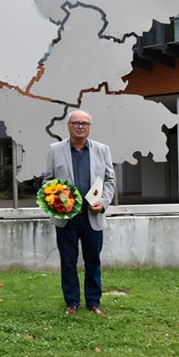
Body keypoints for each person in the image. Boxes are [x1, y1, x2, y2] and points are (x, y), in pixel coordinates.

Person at [43, 109, 116, 316]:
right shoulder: (55, 150)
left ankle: (94, 302)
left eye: (84, 123)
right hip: (66, 218)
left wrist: (103, 202)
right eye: (76, 123)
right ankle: (72, 302)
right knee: (68, 261)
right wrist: (58, 201)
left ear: (89, 127)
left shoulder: (102, 150)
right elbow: (48, 180)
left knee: (93, 261)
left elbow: (110, 180)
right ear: (68, 126)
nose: (80, 126)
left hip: (93, 215)